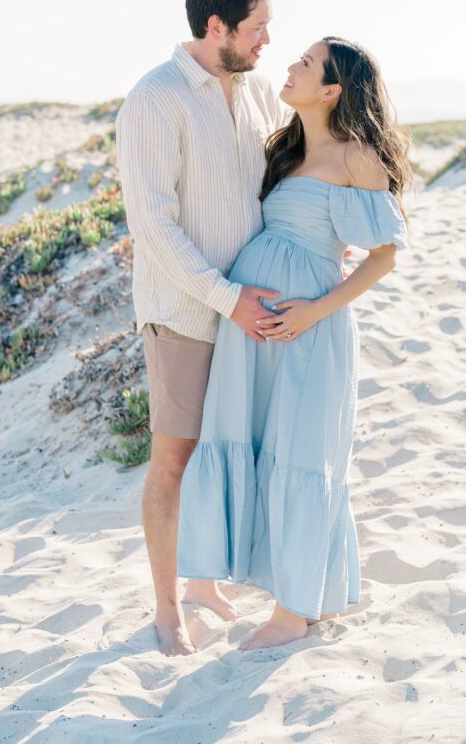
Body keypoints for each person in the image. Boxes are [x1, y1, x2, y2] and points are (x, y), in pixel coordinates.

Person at [177, 36, 414, 650]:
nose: (290, 66)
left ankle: (293, 612)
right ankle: (260, 590)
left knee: (303, 454)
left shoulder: (357, 156)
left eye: (306, 64)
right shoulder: (287, 148)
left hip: (309, 327)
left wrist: (313, 312)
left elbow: (382, 258)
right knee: (249, 443)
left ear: (333, 90)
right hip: (254, 325)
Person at [115, 0, 293, 656]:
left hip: (252, 308)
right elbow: (154, 228)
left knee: (234, 453)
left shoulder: (256, 93)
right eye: (256, 28)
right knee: (175, 461)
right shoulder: (154, 98)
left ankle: (204, 581)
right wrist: (227, 298)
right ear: (215, 24)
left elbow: (278, 182)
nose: (266, 42)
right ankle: (168, 610)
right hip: (188, 311)